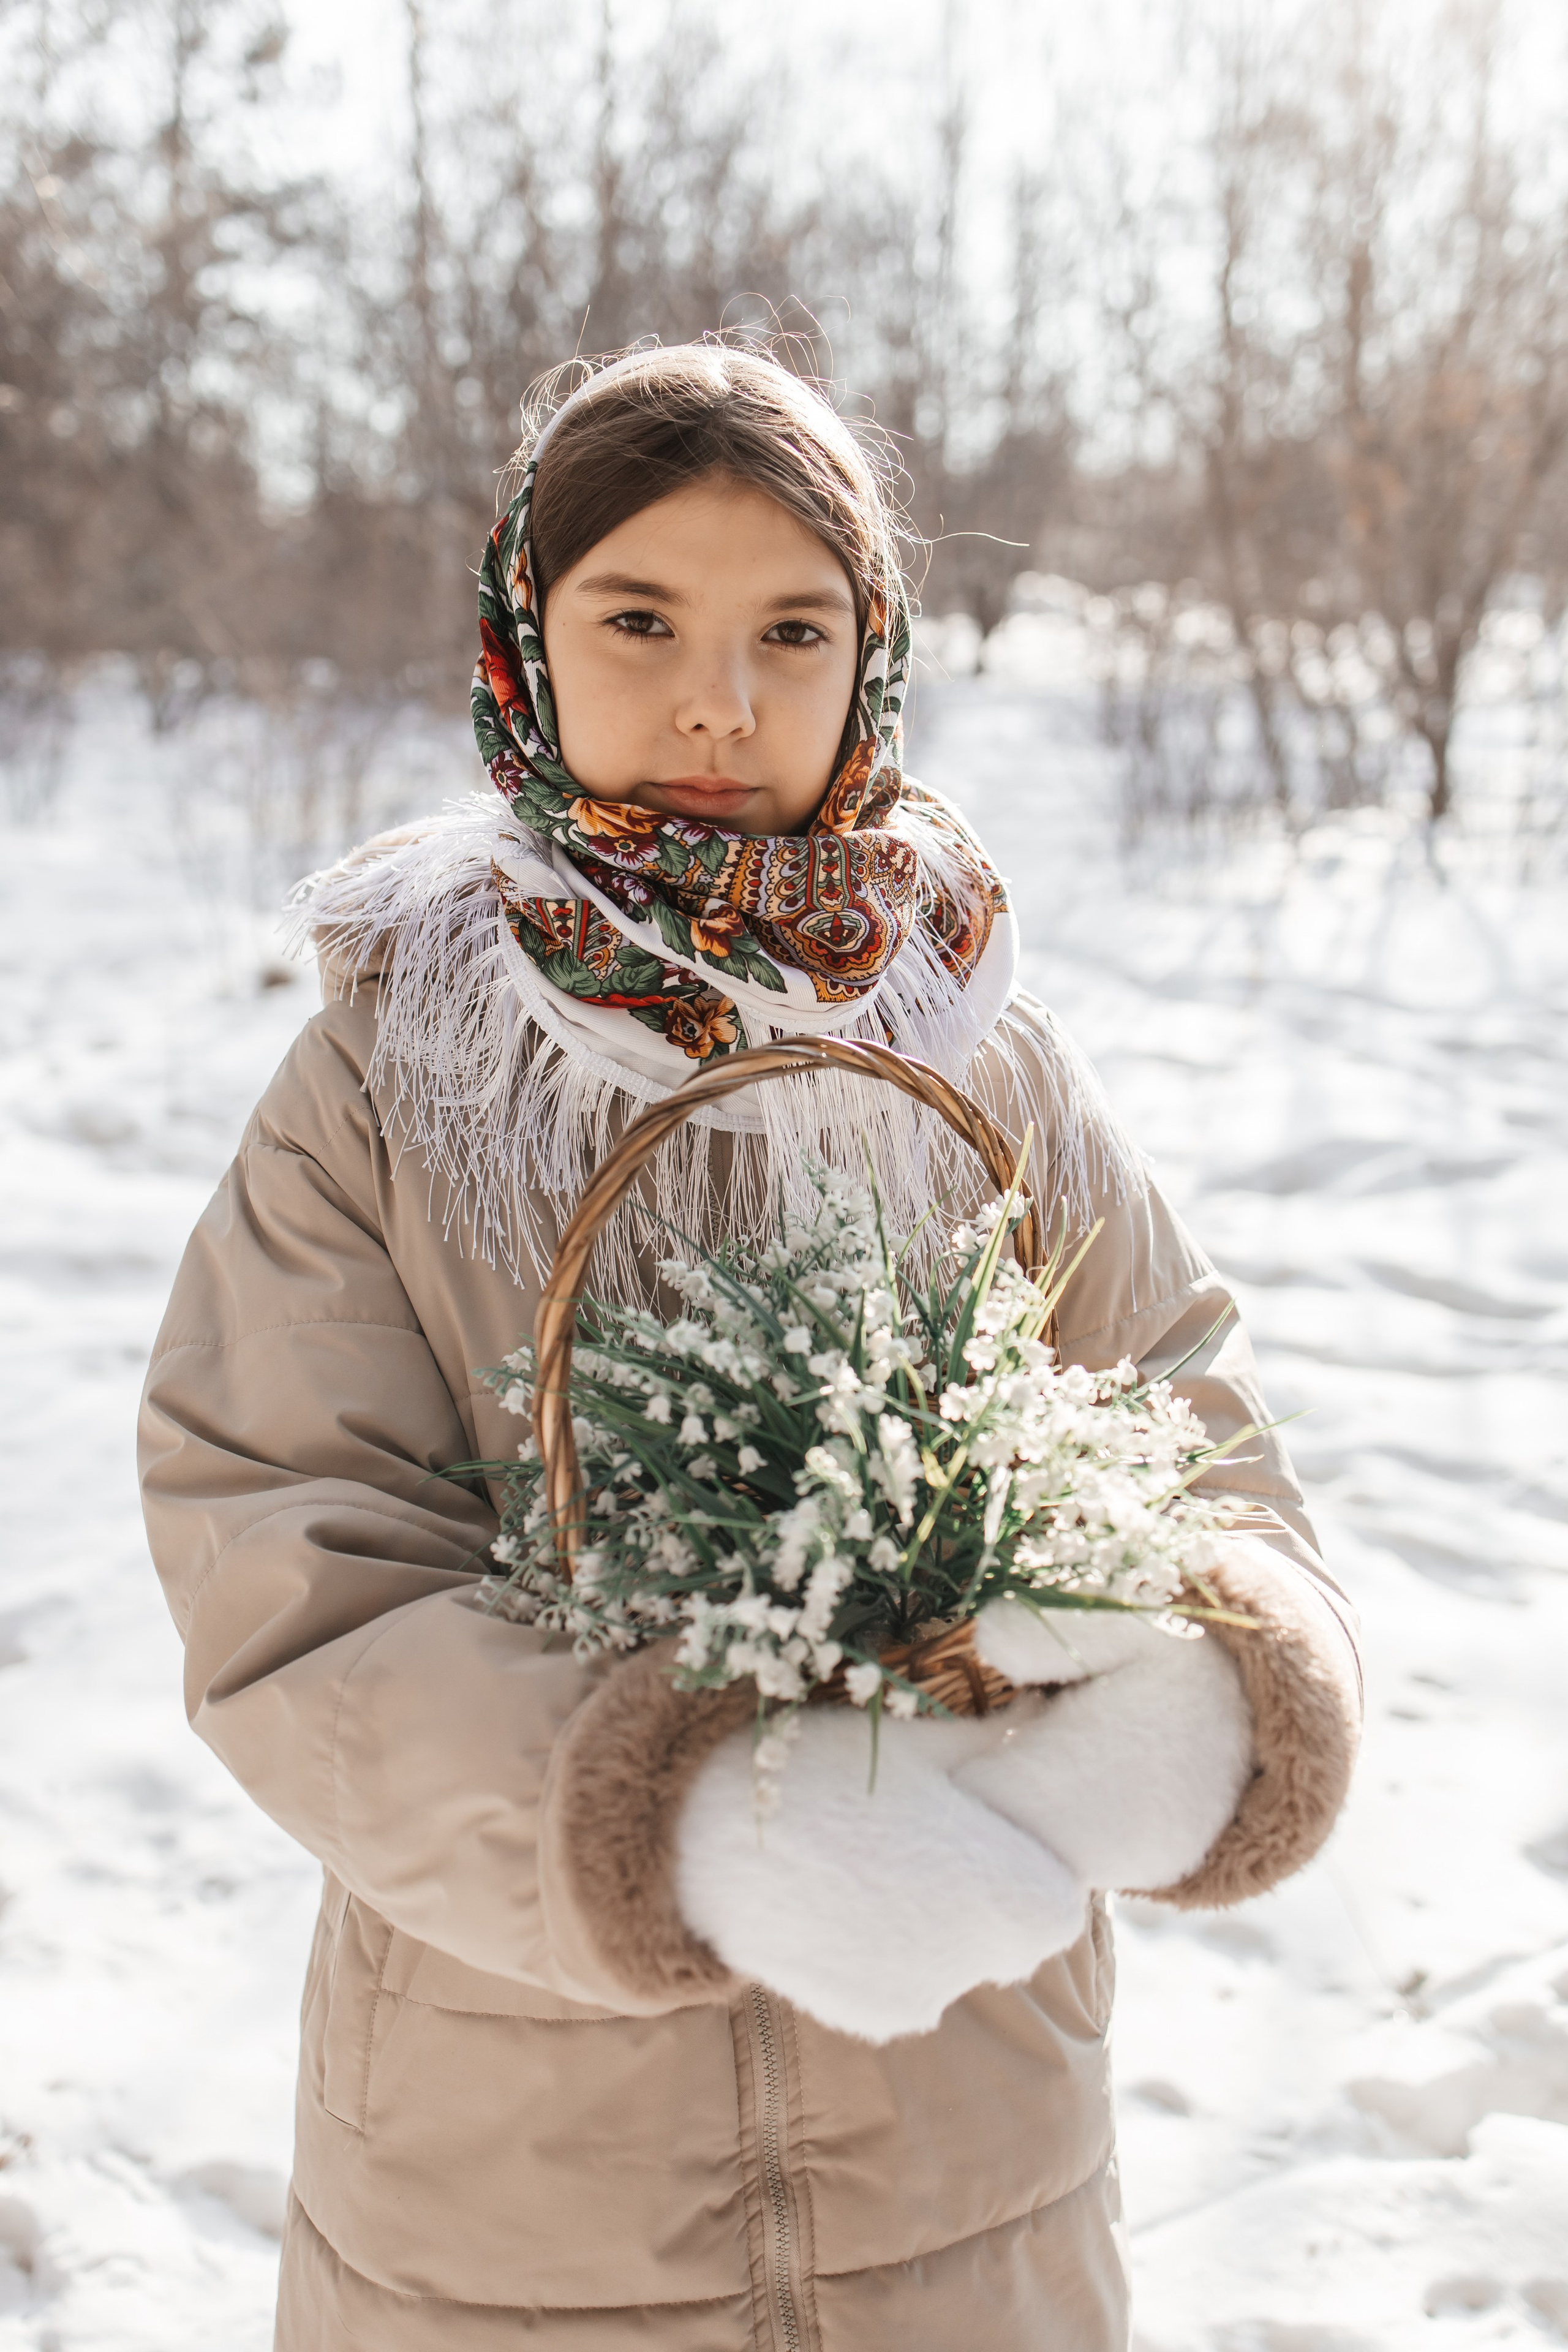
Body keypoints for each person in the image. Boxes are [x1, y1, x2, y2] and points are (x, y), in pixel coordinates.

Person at [138, 341, 1360, 2351]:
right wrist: (673, 1831)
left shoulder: (975, 1051)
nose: (723, 698)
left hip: (970, 2136)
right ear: (529, 642)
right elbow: (286, 1556)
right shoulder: (398, 1067)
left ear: (873, 658)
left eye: (795, 630)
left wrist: (1203, 1688)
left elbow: (1182, 1401)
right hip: (515, 2158)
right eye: (641, 620)